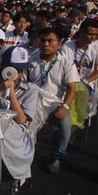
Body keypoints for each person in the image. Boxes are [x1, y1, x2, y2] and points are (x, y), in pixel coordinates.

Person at [27, 28, 79, 174]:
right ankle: (24, 154)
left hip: (53, 102)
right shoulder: (30, 59)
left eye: (51, 41)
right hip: (32, 100)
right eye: (43, 40)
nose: (46, 44)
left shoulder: (66, 63)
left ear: (59, 44)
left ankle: (57, 156)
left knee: (65, 126)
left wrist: (65, 106)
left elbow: (71, 88)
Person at [0, 47, 40, 195]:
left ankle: (14, 180)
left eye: (21, 71)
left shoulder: (31, 90)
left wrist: (12, 92)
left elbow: (21, 119)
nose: (18, 74)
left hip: (16, 134)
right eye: (14, 69)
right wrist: (0, 91)